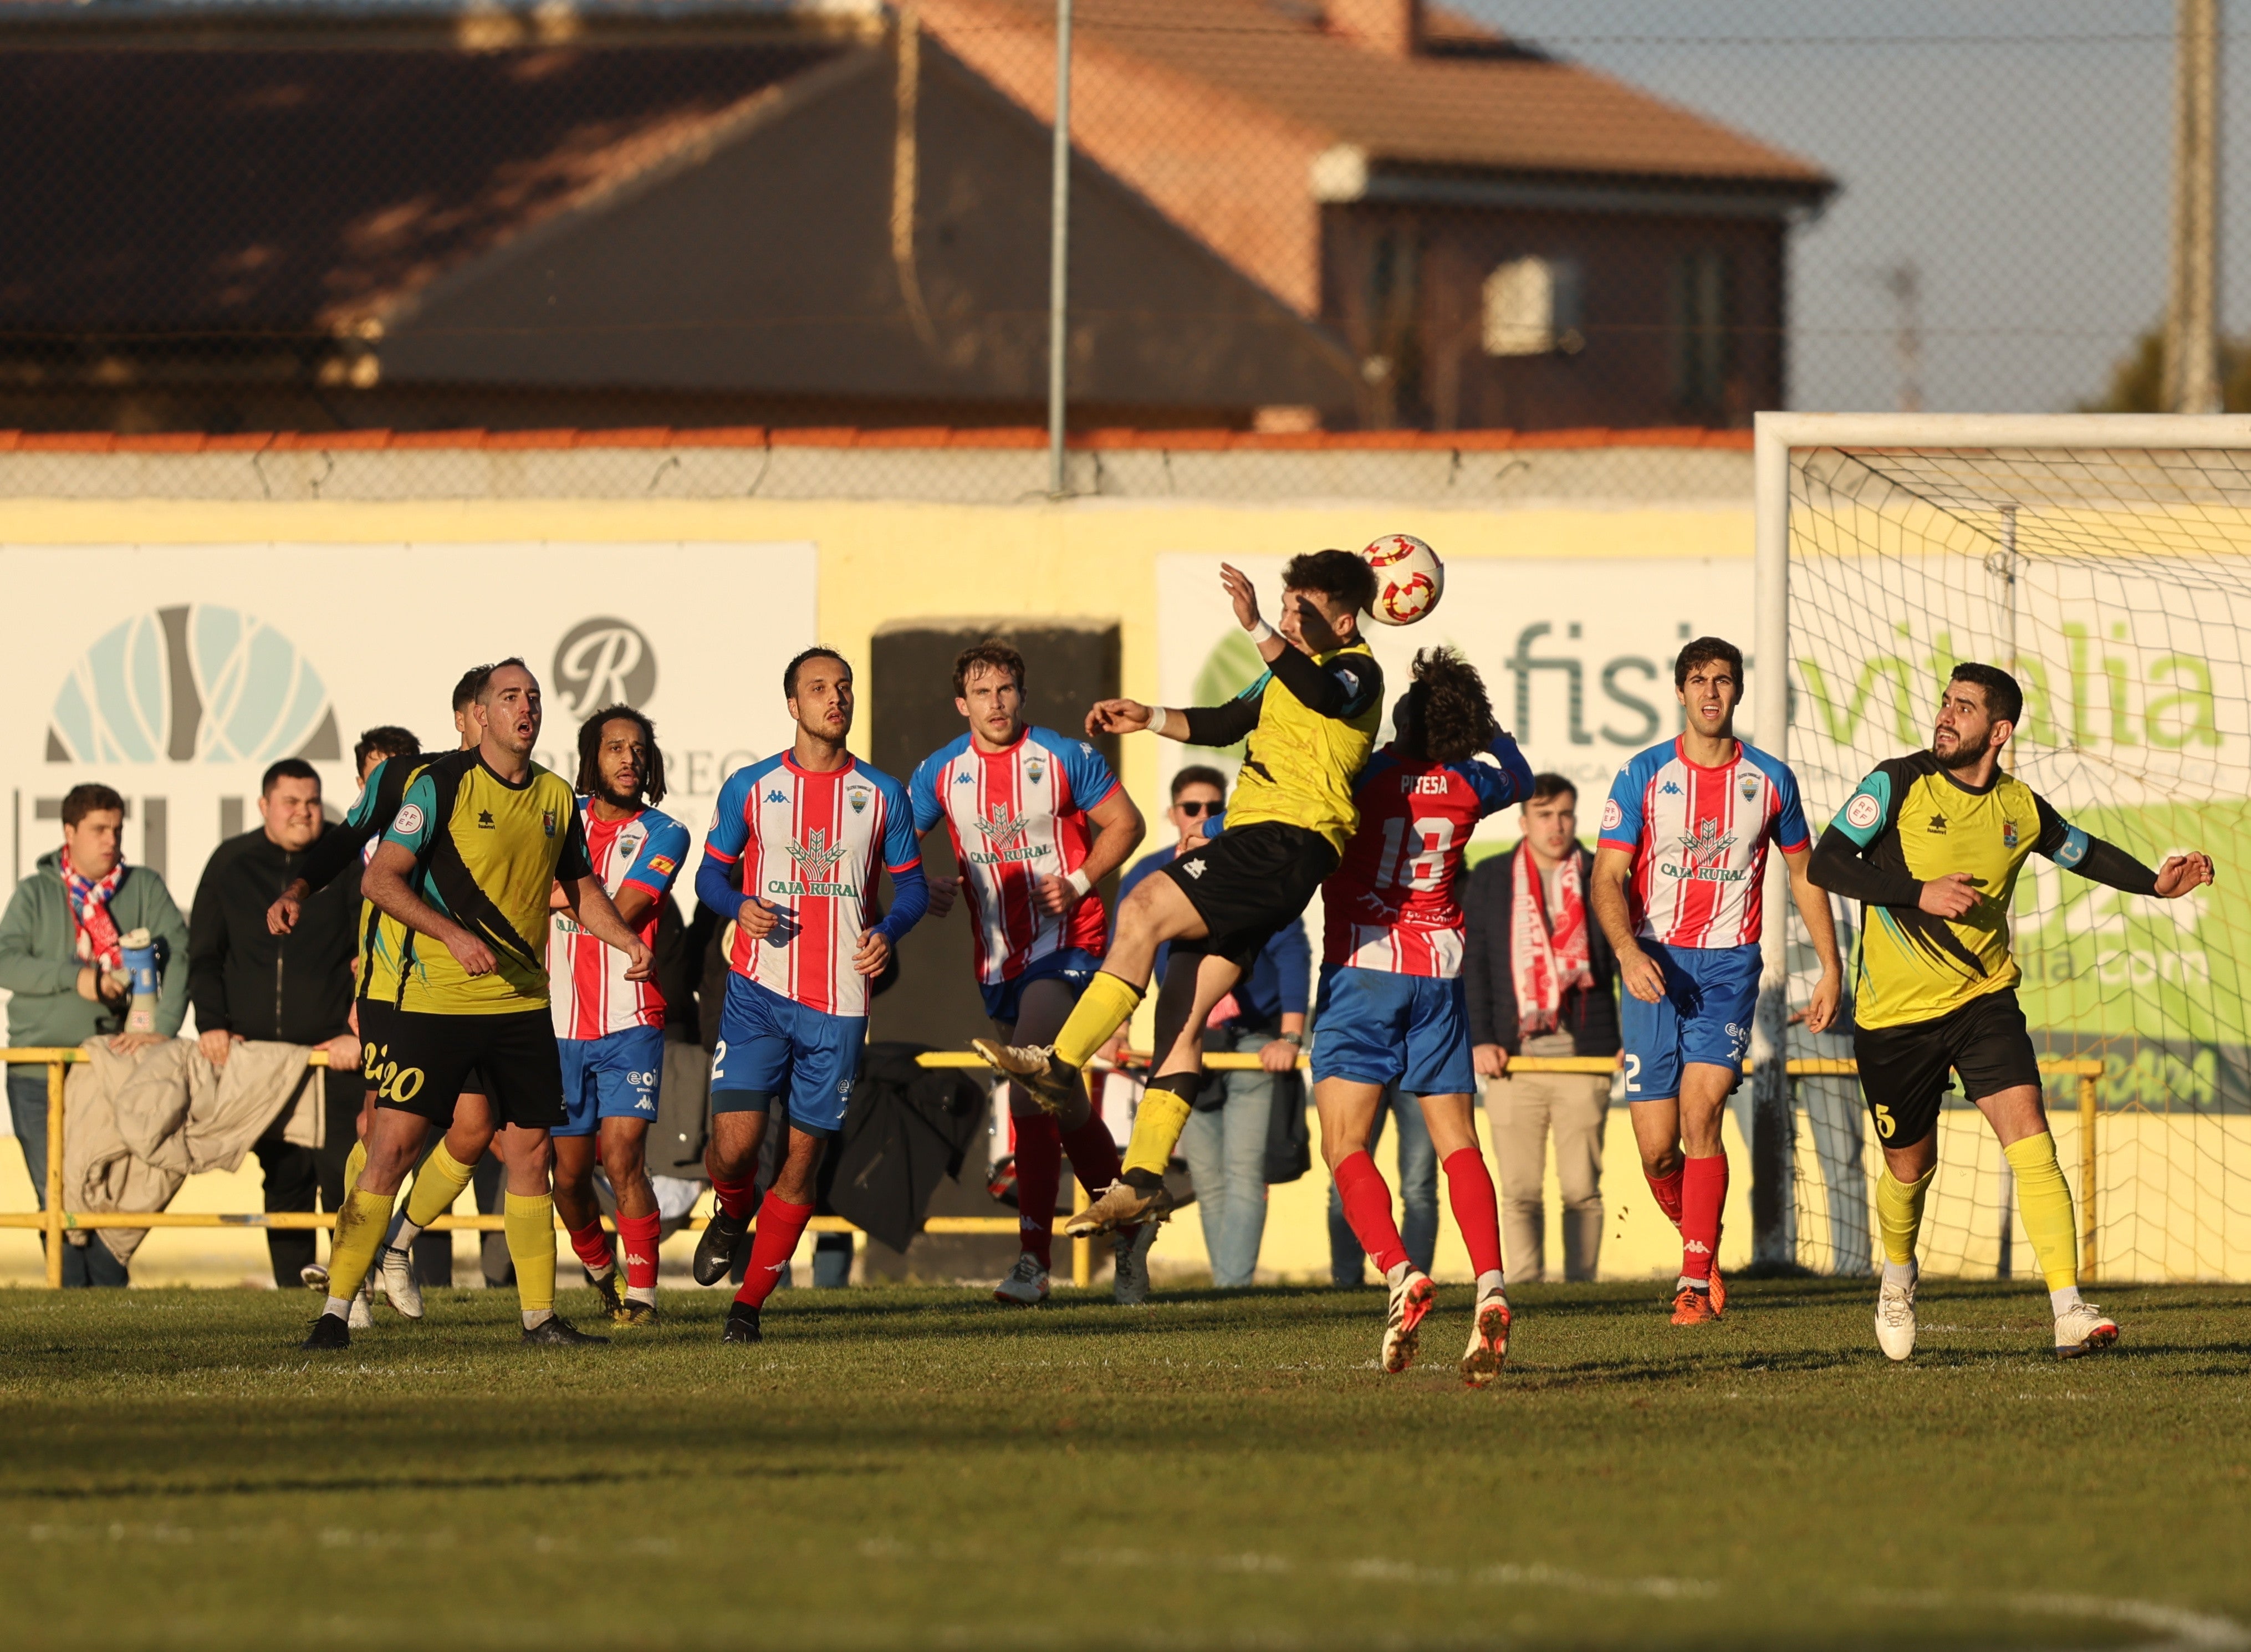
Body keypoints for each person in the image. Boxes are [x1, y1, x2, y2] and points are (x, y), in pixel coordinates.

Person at [1808, 663, 2213, 1361]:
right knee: (1909, 1169)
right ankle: (1897, 1280)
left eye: (1962, 707)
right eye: (1943, 701)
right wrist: (1914, 892)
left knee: (2028, 1131)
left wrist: (2152, 883)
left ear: (1998, 731)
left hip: (1983, 999)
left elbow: (2080, 850)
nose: (1944, 715)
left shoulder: (2019, 807)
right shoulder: (1896, 780)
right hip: (1893, 1017)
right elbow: (1826, 862)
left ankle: (2068, 1309)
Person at [977, 553, 1385, 1241]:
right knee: (1181, 1014)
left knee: (1139, 909)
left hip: (1284, 839)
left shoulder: (1355, 670)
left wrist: (1256, 623)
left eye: (1302, 612)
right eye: (1284, 608)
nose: (1288, 621)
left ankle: (1060, 1062)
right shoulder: (1287, 667)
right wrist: (1149, 716)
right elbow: (1228, 721)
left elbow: (1319, 695)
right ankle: (1139, 1180)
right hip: (1275, 856)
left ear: (1343, 620)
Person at [301, 659, 655, 1350]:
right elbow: (380, 878)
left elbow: (580, 887)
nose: (525, 708)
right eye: (509, 698)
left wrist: (622, 941)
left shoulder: (555, 796)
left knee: (529, 1153)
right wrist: (453, 936)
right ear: (480, 715)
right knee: (391, 1145)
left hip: (519, 1004)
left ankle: (539, 1317)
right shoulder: (436, 786)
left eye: (533, 698)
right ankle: (335, 1313)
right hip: (434, 1003)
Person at [1591, 636, 1842, 1327]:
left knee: (1701, 1112)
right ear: (1678, 692)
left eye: (1723, 681)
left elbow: (1801, 873)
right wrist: (1624, 950)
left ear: (1736, 691)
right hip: (1651, 964)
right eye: (1698, 681)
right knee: (1656, 1146)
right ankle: (1700, 1236)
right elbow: (1607, 876)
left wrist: (1830, 965)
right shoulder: (1642, 774)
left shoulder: (1769, 780)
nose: (1710, 693)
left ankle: (1693, 1283)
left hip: (1727, 967)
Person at [690, 647, 929, 1344]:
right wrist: (738, 906)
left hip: (840, 1002)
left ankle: (748, 1306)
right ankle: (731, 1213)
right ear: (792, 705)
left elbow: (912, 885)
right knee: (735, 1150)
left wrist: (890, 928)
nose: (836, 698)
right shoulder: (751, 787)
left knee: (802, 1158)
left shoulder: (882, 793)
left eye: (844, 687)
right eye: (819, 688)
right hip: (758, 990)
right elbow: (708, 877)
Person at [1312, 648, 1533, 1382]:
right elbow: (1521, 775)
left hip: (1365, 967)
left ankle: (1398, 1270)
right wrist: (1477, 722)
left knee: (1345, 1142)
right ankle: (1492, 1284)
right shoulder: (1471, 786)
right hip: (1439, 973)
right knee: (1456, 1141)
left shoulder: (1365, 776)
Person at [910, 640, 1148, 1306]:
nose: (995, 702)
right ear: (961, 704)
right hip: (996, 959)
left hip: (1069, 945)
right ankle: (1129, 1230)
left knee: (1025, 1087)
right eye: (981, 692)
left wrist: (1078, 880)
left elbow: (1126, 824)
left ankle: (1032, 1262)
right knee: (1062, 1102)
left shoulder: (1063, 757)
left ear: (1022, 693)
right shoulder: (940, 772)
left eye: (1006, 689)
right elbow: (889, 839)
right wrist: (916, 883)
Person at [1116, 769, 1308, 1290]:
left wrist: (1290, 1036)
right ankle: (1230, 1287)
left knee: (1245, 1172)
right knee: (1208, 1178)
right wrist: (1117, 1029)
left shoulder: (1256, 863)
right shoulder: (1149, 874)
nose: (1201, 817)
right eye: (1190, 807)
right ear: (1173, 814)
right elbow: (1125, 955)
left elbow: (1292, 949)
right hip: (1186, 1038)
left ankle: (1232, 1287)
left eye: (1212, 807)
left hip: (1252, 1038)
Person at [0, 782, 189, 1287]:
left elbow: (183, 954)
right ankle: (74, 1302)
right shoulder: (37, 892)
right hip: (37, 1069)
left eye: (118, 828)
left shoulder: (143, 886)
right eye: (99, 829)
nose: (112, 840)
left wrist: (162, 1029)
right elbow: (5, 960)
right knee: (53, 1196)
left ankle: (101, 1290)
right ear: (69, 832)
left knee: (112, 1186)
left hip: (110, 1067)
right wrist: (77, 977)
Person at [186, 758, 365, 1288]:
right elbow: (204, 954)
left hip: (336, 1056)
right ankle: (292, 1290)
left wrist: (358, 1031)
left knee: (342, 1171)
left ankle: (349, 1287)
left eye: (311, 801)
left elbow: (371, 951)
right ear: (264, 805)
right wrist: (212, 1022)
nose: (303, 812)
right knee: (284, 1175)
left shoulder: (344, 859)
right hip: (260, 1061)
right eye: (290, 802)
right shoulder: (231, 863)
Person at [545, 704, 690, 1327]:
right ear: (590, 760)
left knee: (622, 1154)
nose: (629, 759)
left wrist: (542, 893)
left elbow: (624, 911)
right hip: (554, 1026)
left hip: (632, 1015)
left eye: (638, 749)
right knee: (569, 1178)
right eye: (615, 749)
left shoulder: (666, 832)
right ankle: (600, 1266)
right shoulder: (553, 820)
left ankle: (644, 1296)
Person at [1462, 773, 1622, 1283]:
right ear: (1524, 820)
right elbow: (1475, 966)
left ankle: (1582, 1289)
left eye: (1565, 814)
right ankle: (1526, 1291)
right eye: (1544, 814)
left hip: (1586, 1056)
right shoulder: (1489, 878)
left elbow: (1628, 959)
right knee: (1519, 1191)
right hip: (1513, 1059)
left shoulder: (1602, 875)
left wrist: (1634, 1040)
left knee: (1581, 1189)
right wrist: (1481, 1038)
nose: (1556, 826)